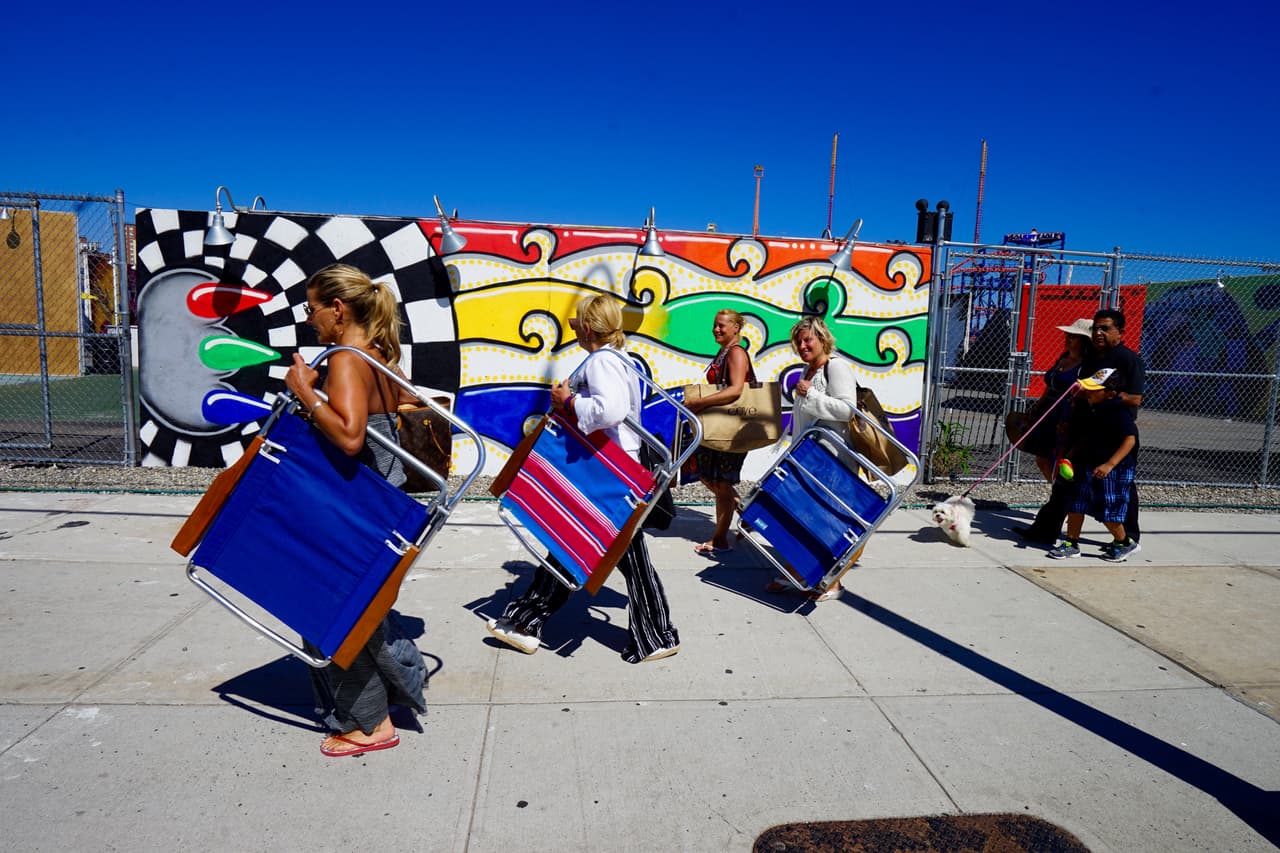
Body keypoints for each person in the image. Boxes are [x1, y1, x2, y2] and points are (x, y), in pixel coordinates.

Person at [486, 294, 681, 663]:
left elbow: (611, 410)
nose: (575, 327)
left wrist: (567, 401)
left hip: (606, 472)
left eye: (577, 322)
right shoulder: (617, 359)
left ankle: (528, 622)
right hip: (614, 471)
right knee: (578, 544)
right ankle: (652, 634)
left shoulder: (602, 361)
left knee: (576, 544)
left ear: (588, 327)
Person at [284, 263, 427, 758]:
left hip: (354, 509)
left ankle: (368, 724)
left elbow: (349, 437)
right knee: (360, 611)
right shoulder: (381, 356)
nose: (310, 320)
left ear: (338, 309)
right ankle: (396, 688)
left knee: (325, 611)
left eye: (312, 309)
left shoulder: (347, 358)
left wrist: (305, 391)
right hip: (382, 503)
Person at [1014, 309, 1145, 545]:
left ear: (1120, 331)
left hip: (1114, 431)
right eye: (1096, 328)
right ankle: (1046, 530)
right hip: (1083, 429)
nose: (1099, 332)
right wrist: (1071, 416)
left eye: (1105, 328)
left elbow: (1135, 399)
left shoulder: (1129, 359)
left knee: (1122, 489)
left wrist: (1105, 397)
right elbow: (1078, 390)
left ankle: (1129, 537)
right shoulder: (1092, 359)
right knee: (1068, 481)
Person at [762, 316, 859, 602]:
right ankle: (801, 570)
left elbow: (847, 411)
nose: (803, 345)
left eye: (808, 340)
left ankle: (831, 582)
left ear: (822, 339)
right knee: (809, 516)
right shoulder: (811, 367)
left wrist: (811, 393)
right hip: (812, 457)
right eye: (799, 341)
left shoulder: (835, 366)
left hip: (832, 458)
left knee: (826, 520)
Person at [682, 308, 757, 556]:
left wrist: (701, 402)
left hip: (732, 428)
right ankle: (746, 511)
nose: (716, 329)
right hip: (723, 426)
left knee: (721, 482)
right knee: (709, 477)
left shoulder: (736, 352)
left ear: (736, 328)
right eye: (715, 325)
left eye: (722, 325)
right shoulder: (724, 352)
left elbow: (736, 390)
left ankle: (720, 539)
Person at [1047, 368, 1141, 562]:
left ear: (1110, 394)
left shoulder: (1118, 413)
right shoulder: (1093, 408)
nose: (1088, 392)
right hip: (1086, 465)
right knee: (1076, 503)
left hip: (1112, 470)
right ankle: (1071, 543)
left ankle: (1124, 542)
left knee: (1108, 510)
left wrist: (1109, 464)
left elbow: (1130, 440)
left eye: (1093, 389)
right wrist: (1070, 457)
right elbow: (1085, 437)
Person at [1021, 318, 1094, 481]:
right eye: (1067, 335)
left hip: (1067, 414)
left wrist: (1070, 419)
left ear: (1084, 341)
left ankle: (1063, 493)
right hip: (1049, 412)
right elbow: (1049, 387)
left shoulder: (1086, 366)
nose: (1067, 340)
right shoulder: (1063, 358)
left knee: (1062, 458)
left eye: (1073, 337)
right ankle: (1056, 489)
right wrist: (1038, 408)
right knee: (1042, 458)